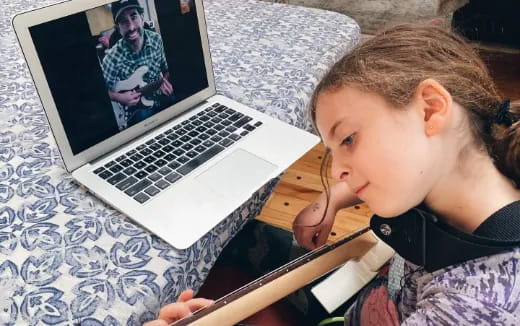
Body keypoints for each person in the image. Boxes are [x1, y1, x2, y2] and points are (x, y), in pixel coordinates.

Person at [146, 23, 520, 325]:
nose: (339, 169)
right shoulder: (477, 167)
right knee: (238, 240)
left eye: (349, 139)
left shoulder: (478, 306)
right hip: (369, 299)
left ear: (430, 109)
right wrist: (335, 196)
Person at [102, 0, 174, 129]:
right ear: (117, 27)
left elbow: (166, 70)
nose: (131, 27)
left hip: (160, 96)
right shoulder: (111, 58)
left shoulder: (156, 40)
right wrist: (120, 97)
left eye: (134, 17)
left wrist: (165, 81)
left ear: (142, 17)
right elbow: (103, 92)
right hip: (136, 109)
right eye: (123, 21)